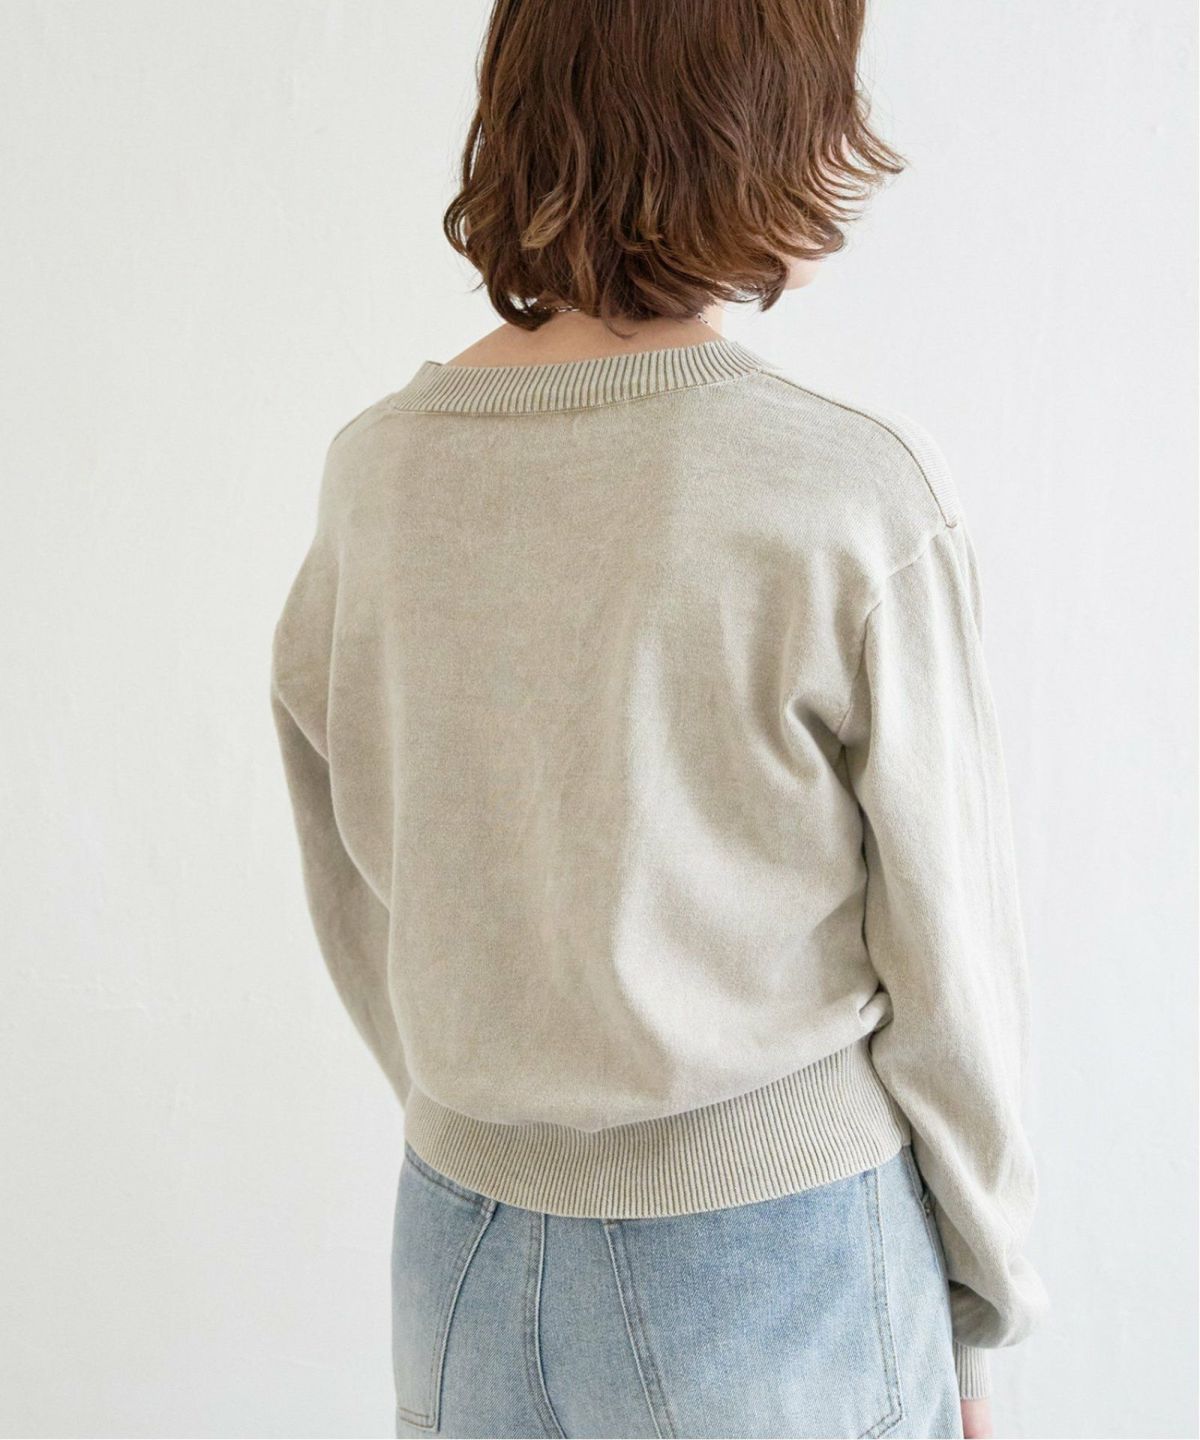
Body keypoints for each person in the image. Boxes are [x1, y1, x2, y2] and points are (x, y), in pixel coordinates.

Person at [269, 1, 1049, 1435]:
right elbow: (951, 964)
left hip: (458, 1251)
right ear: (760, 124)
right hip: (773, 1265)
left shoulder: (375, 476)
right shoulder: (848, 493)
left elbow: (356, 877)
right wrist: (976, 1315)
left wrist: (502, 1111)